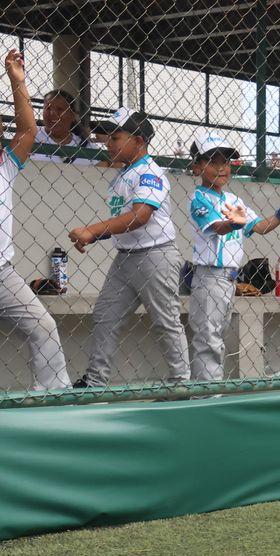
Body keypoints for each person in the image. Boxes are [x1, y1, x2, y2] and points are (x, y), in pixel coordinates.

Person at [68, 108, 189, 387]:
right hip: (126, 258)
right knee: (105, 315)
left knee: (164, 320)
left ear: (139, 140)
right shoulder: (122, 174)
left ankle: (182, 383)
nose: (108, 143)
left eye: (116, 137)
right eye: (107, 137)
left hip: (155, 255)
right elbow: (122, 220)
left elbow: (140, 216)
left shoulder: (149, 171)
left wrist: (92, 230)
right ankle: (96, 381)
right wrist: (93, 236)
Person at [186, 135, 280, 381]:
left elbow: (260, 227)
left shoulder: (234, 200)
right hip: (210, 277)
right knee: (209, 339)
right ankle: (207, 399)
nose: (221, 167)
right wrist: (233, 223)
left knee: (217, 337)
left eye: (225, 161)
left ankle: (209, 391)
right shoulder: (199, 198)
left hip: (229, 280)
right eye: (213, 161)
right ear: (197, 166)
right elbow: (218, 227)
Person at [0, 50, 70, 391]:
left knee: (43, 327)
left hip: (3, 275)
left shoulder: (6, 167)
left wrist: (18, 83)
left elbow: (28, 129)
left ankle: (54, 398)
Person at [32, 88, 99, 164]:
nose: (53, 113)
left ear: (72, 115)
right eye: (48, 108)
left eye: (60, 109)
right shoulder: (31, 135)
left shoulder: (86, 146)